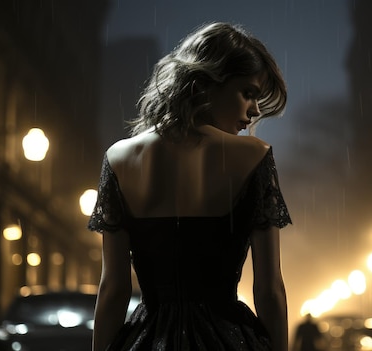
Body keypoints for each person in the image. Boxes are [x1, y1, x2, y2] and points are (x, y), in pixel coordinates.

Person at [88, 21, 291, 351]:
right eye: (248, 93)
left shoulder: (120, 158)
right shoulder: (254, 157)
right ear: (203, 86)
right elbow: (269, 290)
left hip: (147, 341)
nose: (253, 111)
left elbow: (113, 289)